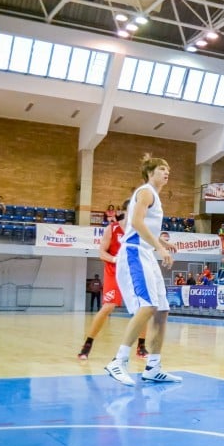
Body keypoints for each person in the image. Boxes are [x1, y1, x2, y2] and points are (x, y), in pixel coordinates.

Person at [104, 154, 181, 386]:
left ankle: (153, 367)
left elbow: (146, 225)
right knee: (147, 306)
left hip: (146, 253)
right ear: (150, 172)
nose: (166, 172)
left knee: (162, 311)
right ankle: (118, 361)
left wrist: (161, 242)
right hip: (135, 252)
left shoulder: (154, 195)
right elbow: (135, 223)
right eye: (161, 168)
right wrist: (160, 247)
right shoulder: (146, 191)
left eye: (168, 169)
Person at [78, 200, 147, 360]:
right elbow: (102, 253)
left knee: (144, 307)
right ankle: (88, 344)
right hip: (114, 272)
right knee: (108, 307)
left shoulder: (139, 230)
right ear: (125, 211)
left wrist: (163, 245)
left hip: (132, 273)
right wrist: (117, 260)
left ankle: (141, 346)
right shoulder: (112, 229)